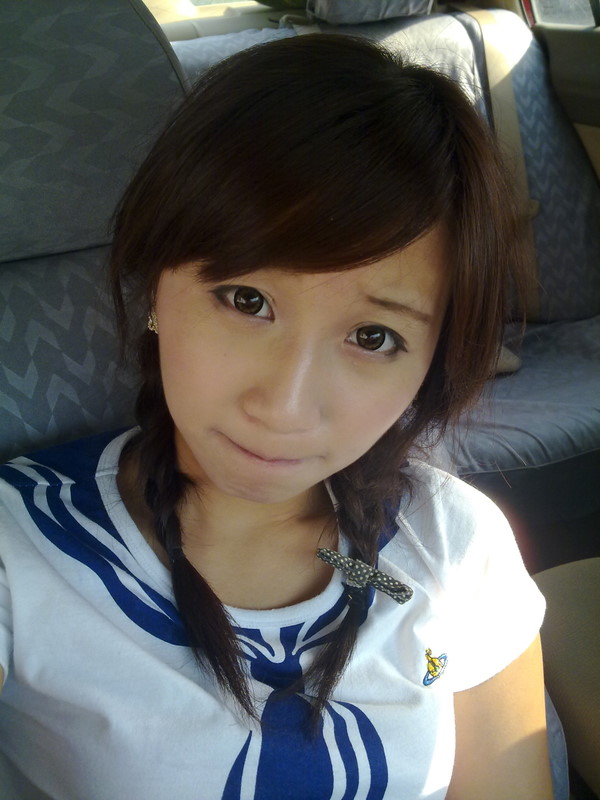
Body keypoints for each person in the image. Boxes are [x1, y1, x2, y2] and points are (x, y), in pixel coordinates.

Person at [0, 34, 552, 799]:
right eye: (246, 300)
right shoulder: (18, 553)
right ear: (156, 286)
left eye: (373, 337)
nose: (284, 407)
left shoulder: (450, 551)